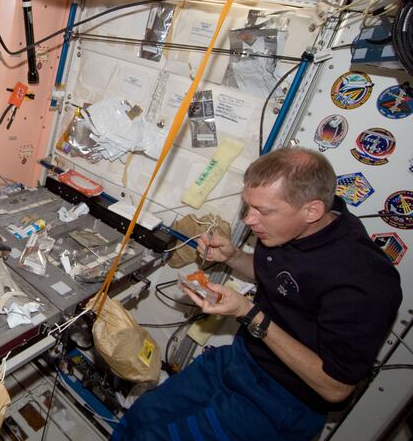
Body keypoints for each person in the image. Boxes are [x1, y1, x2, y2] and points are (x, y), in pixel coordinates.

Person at [112, 147, 402, 441]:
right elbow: (284, 281)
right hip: (239, 360)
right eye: (248, 206)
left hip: (282, 402)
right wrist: (233, 256)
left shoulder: (365, 280)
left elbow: (336, 387)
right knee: (143, 415)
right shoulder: (289, 228)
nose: (249, 220)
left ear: (312, 210)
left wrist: (250, 314)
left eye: (262, 211)